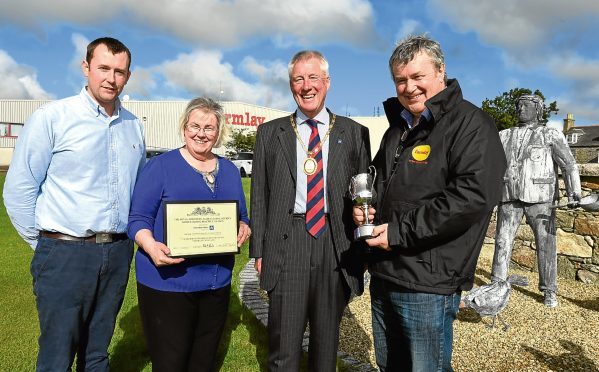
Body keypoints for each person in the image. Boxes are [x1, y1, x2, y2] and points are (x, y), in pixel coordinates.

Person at [353, 35, 507, 371]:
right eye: (401, 80)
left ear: (440, 72)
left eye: (417, 77)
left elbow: (470, 199)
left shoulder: (471, 125)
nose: (409, 88)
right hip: (386, 270)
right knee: (389, 365)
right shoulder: (399, 127)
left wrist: (397, 233)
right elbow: (378, 179)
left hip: (428, 281)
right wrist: (365, 205)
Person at [3, 37, 145, 371]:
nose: (111, 78)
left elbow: (137, 191)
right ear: (86, 67)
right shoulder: (52, 117)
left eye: (120, 71)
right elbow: (19, 189)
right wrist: (45, 246)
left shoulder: (134, 127)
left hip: (118, 251)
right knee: (57, 355)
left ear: (128, 76)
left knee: (97, 352)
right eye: (103, 68)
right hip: (64, 252)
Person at [250, 50, 371, 371]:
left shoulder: (354, 132)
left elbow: (364, 192)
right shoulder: (270, 133)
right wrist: (259, 252)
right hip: (287, 243)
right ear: (291, 85)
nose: (306, 86)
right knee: (283, 348)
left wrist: (363, 232)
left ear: (327, 82)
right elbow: (259, 194)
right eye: (298, 79)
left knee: (325, 346)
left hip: (335, 244)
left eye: (313, 77)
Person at [127, 97, 250, 372]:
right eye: (195, 126)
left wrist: (244, 226)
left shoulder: (229, 170)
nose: (201, 133)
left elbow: (242, 215)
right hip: (168, 284)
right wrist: (150, 245)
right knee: (171, 363)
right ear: (184, 128)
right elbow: (137, 220)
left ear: (218, 133)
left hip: (215, 284)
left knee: (203, 363)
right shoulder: (161, 166)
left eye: (209, 128)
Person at [491, 94, 581, 308]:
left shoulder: (550, 134)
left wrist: (574, 192)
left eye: (526, 105)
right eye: (518, 105)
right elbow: (491, 165)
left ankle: (549, 290)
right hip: (509, 195)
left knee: (546, 244)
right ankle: (497, 283)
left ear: (538, 110)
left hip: (541, 197)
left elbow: (569, 165)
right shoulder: (503, 135)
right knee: (502, 241)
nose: (520, 109)